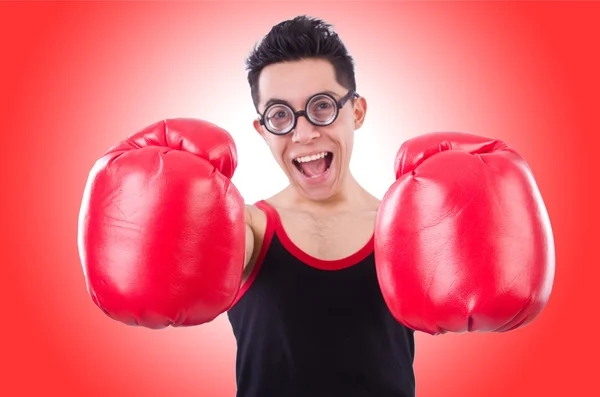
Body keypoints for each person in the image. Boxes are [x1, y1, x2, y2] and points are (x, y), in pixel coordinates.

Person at [77, 15, 554, 397]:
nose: (304, 133)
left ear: (357, 111)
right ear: (263, 131)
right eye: (280, 115)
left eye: (322, 106)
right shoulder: (244, 228)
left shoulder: (414, 226)